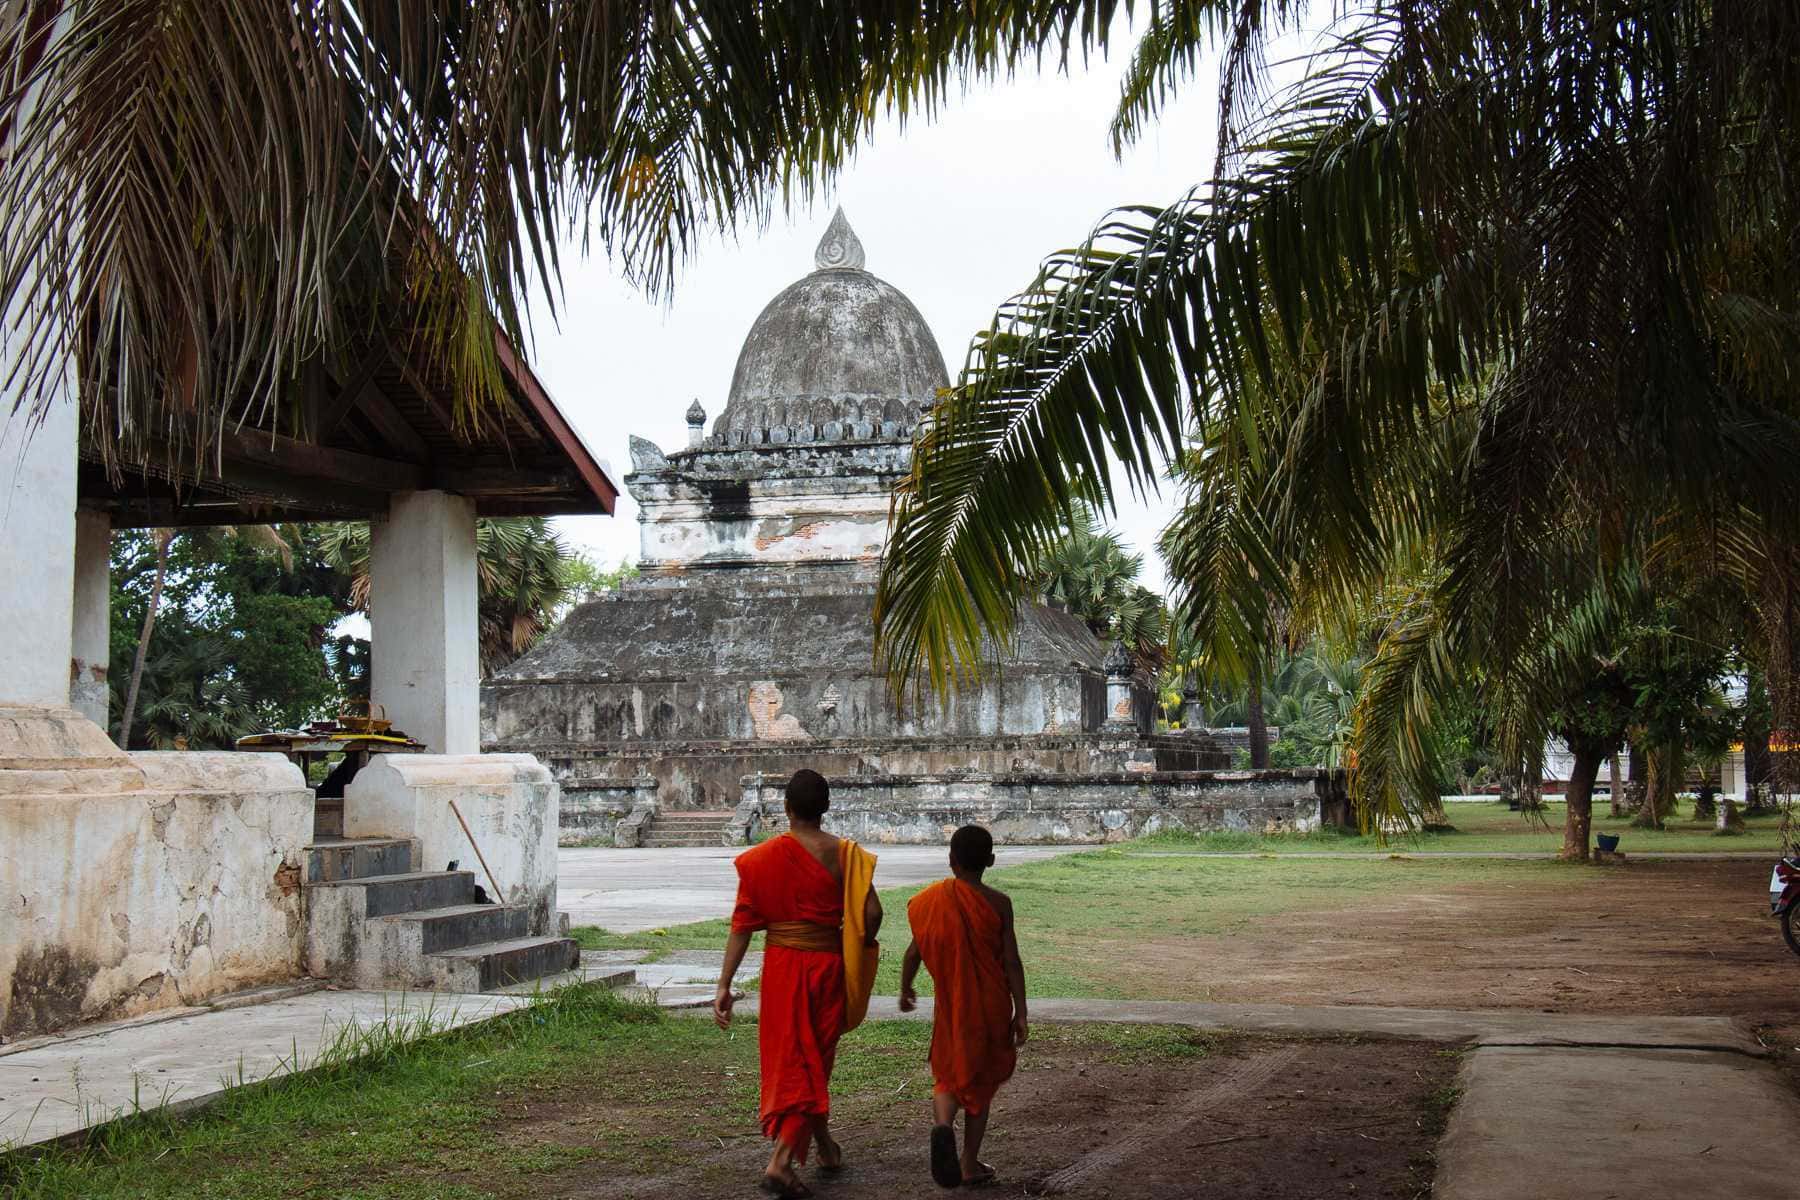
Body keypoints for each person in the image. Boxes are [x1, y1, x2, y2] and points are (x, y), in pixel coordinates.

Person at [715, 769, 882, 1198]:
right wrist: (854, 942)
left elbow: (742, 925)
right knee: (813, 1062)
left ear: (785, 810)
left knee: (794, 1059)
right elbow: (873, 915)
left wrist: (723, 984)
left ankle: (821, 1146)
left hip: (782, 969)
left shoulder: (761, 858)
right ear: (825, 808)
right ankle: (782, 1162)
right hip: (825, 966)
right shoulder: (846, 854)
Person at [899, 824, 1029, 1189]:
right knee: (981, 1080)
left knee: (948, 1073)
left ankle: (942, 1126)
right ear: (990, 860)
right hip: (990, 1007)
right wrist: (1022, 1012)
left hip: (951, 1007)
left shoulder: (932, 901)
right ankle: (968, 1162)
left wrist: (906, 987)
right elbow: (1012, 961)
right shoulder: (999, 904)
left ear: (950, 860)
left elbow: (914, 953)